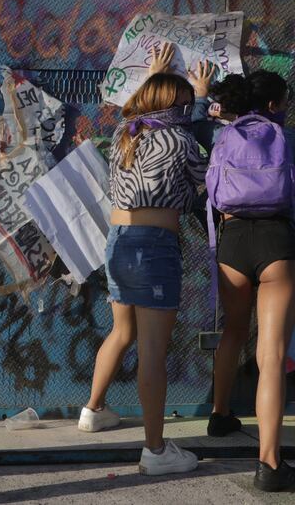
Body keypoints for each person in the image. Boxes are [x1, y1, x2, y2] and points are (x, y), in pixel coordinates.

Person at [77, 43, 209, 476]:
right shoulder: (182, 139)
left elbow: (139, 114)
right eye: (186, 102)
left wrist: (155, 75)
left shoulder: (124, 135)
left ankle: (93, 410)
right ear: (177, 106)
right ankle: (155, 451)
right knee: (153, 348)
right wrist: (203, 101)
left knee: (122, 330)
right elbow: (205, 184)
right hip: (154, 247)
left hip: (118, 241)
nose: (191, 107)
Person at [191, 69, 295, 492]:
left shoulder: (223, 135)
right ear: (274, 105)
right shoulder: (287, 136)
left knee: (232, 330)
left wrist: (200, 95)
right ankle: (269, 464)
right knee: (271, 353)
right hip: (276, 240)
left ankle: (219, 415)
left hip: (232, 240)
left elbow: (196, 128)